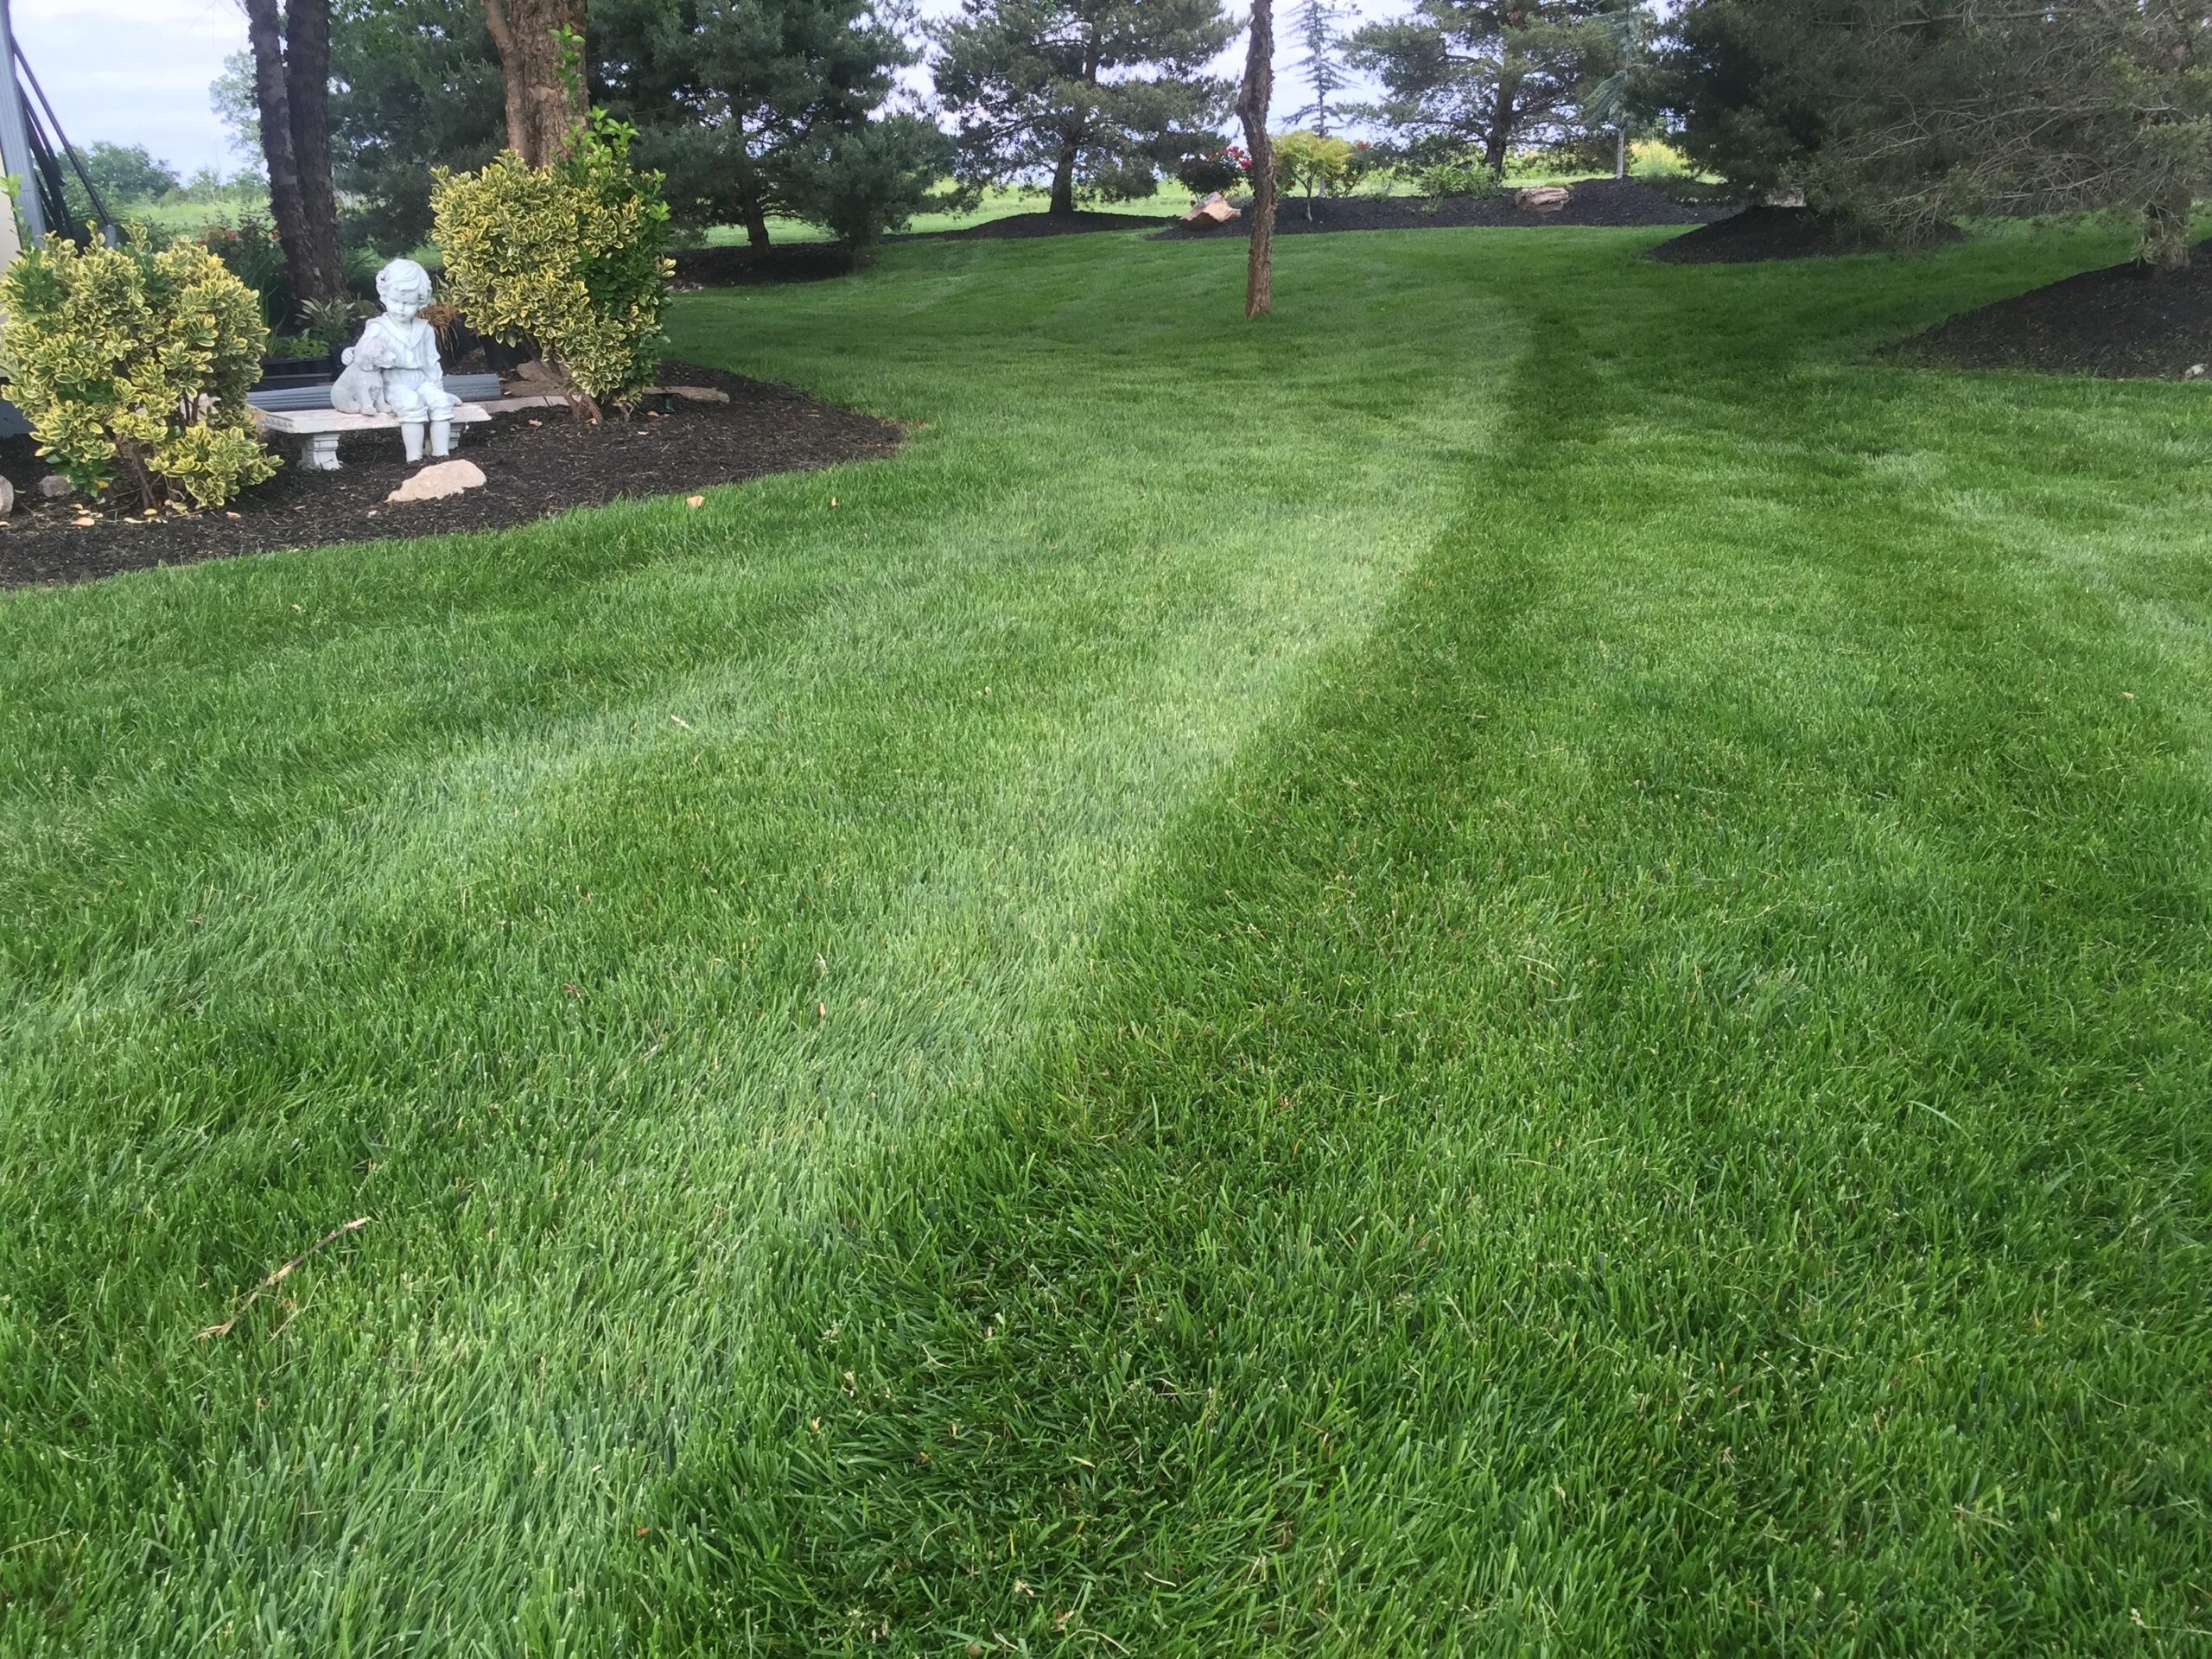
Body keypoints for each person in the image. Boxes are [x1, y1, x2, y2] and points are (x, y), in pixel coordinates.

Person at [331, 257, 461, 463]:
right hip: (392, 380)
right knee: (410, 404)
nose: (401, 308)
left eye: (408, 303)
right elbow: (365, 350)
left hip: (421, 379)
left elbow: (432, 363)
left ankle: (441, 455)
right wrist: (350, 352)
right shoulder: (379, 326)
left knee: (440, 403)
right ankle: (414, 458)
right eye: (395, 301)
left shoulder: (425, 329)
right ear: (384, 296)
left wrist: (438, 390)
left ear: (420, 302)